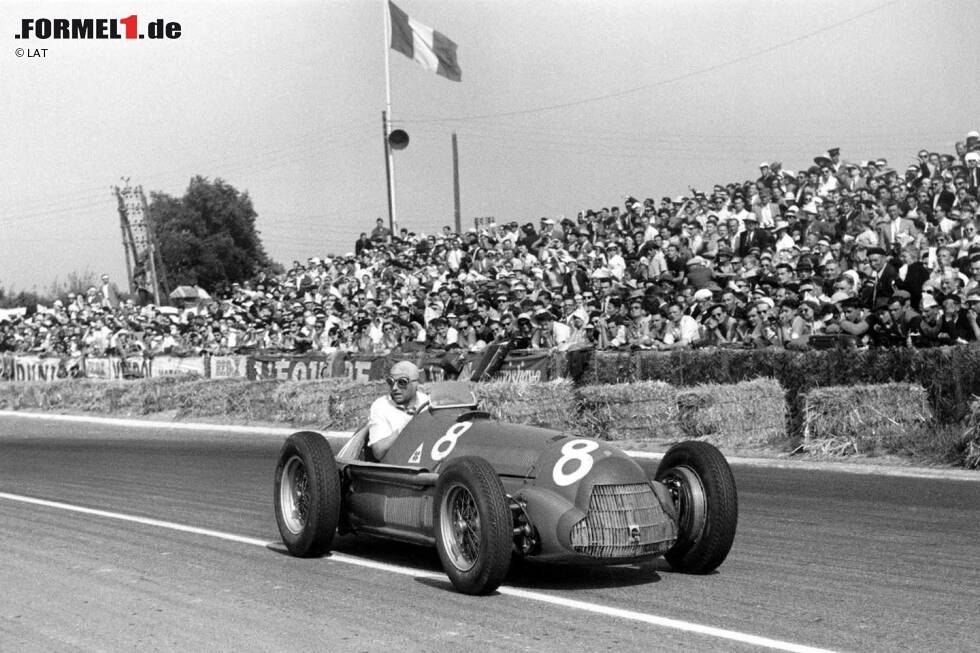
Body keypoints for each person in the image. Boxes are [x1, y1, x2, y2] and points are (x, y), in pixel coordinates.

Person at [367, 361, 429, 460]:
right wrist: (403, 429)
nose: (395, 388)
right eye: (391, 382)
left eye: (402, 382)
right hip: (398, 464)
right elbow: (378, 452)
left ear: (415, 383)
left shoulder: (427, 402)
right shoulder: (381, 406)